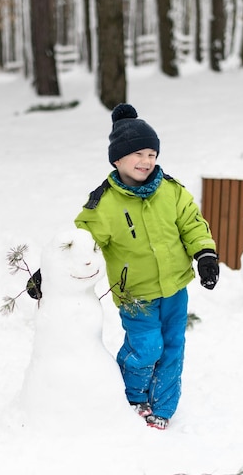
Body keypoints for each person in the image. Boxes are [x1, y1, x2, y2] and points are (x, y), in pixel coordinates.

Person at [74, 103, 219, 430]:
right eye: (138, 154)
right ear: (117, 159)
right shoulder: (104, 203)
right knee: (146, 347)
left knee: (172, 347)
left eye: (152, 153)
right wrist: (52, 272)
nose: (146, 161)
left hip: (175, 288)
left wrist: (205, 255)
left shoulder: (172, 191)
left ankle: (164, 406)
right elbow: (81, 242)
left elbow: (193, 224)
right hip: (136, 294)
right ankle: (133, 396)